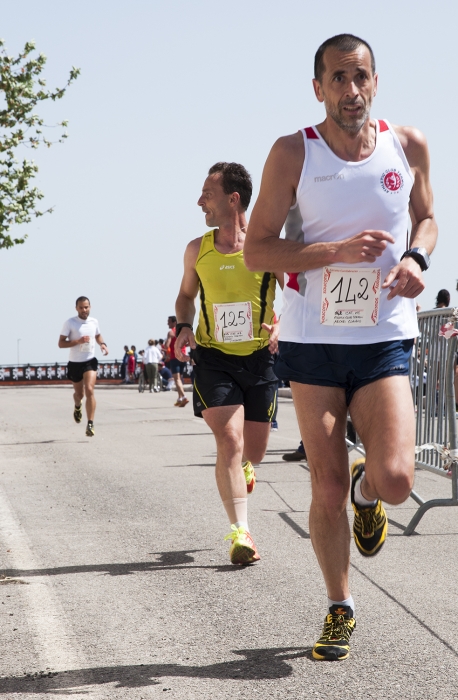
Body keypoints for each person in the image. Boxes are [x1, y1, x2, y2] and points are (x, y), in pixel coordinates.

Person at [244, 34, 437, 660]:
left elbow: (428, 218)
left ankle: (368, 494)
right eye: (337, 79)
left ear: (375, 82)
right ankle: (339, 605)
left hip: (383, 334)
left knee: (397, 479)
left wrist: (416, 256)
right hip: (313, 338)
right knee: (323, 482)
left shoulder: (406, 146)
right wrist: (332, 252)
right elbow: (258, 250)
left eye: (360, 78)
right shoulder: (291, 153)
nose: (350, 91)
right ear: (318, 87)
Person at [174, 161, 281, 565]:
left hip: (260, 359)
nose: (200, 201)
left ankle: (246, 470)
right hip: (213, 358)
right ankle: (241, 533)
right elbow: (185, 297)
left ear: (232, 199)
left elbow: (302, 292)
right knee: (229, 441)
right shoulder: (196, 251)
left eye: (208, 194)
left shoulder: (267, 246)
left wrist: (281, 325)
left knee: (252, 450)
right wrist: (184, 327)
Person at [58, 296, 109, 437]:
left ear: (90, 307)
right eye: (81, 307)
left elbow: (98, 335)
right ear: (76, 308)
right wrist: (77, 341)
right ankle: (77, 406)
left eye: (86, 307)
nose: (84, 310)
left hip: (89, 361)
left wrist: (103, 344)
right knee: (79, 394)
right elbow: (61, 343)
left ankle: (90, 423)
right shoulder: (70, 323)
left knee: (90, 390)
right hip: (75, 363)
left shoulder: (94, 322)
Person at [164, 316, 189, 407]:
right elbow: (188, 343)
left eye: (169, 322)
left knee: (177, 379)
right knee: (179, 379)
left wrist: (167, 343)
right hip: (183, 357)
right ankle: (180, 399)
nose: (167, 323)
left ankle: (184, 397)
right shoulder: (182, 331)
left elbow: (166, 346)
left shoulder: (171, 332)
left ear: (174, 322)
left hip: (175, 358)